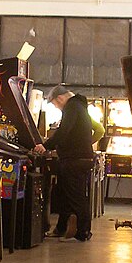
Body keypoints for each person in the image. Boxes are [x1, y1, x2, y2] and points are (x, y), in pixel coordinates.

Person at [34, 84, 95, 241]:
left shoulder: (72, 106)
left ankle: (83, 232)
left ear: (60, 98)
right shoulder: (79, 106)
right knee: (65, 196)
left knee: (76, 197)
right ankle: (61, 228)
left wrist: (45, 146)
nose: (57, 107)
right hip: (80, 158)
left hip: (75, 159)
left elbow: (63, 131)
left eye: (55, 104)